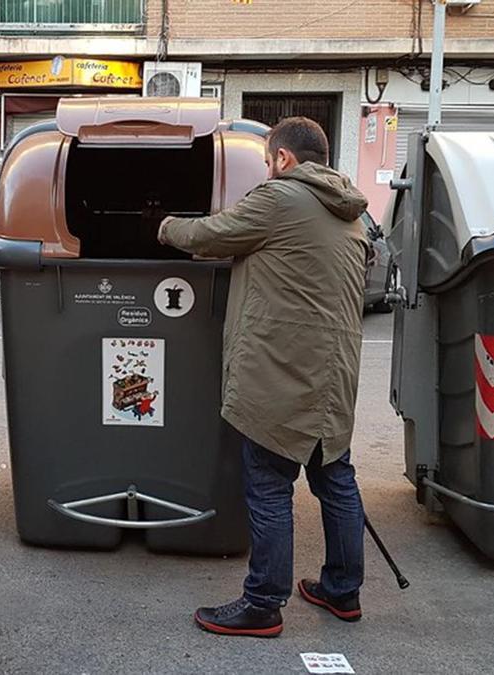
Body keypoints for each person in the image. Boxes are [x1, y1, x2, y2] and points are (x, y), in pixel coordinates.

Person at [157, 117, 370, 638]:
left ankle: (263, 604)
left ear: (284, 159)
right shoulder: (349, 212)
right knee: (334, 478)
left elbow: (209, 235)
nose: (267, 169)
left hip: (285, 371)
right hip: (334, 371)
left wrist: (160, 224)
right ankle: (343, 591)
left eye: (268, 161)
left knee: (270, 484)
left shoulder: (281, 198)